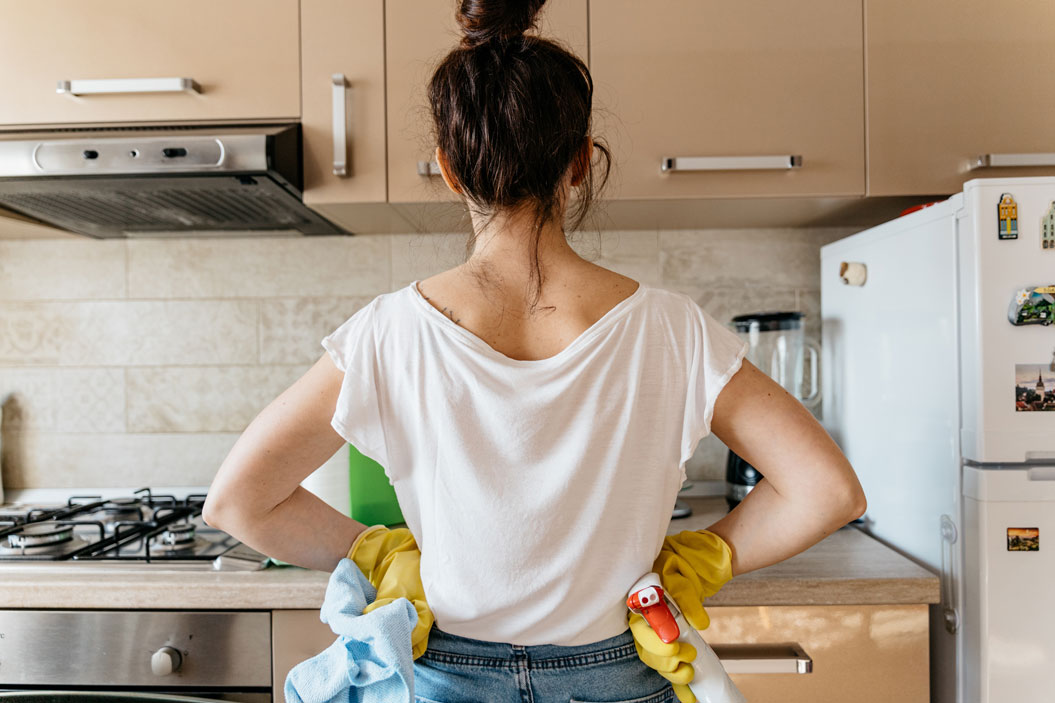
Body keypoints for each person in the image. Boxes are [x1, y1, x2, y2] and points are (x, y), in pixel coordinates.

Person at [203, 1, 866, 701]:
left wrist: (375, 549)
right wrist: (706, 554)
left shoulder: (388, 331)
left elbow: (238, 502)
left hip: (445, 680)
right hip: (616, 676)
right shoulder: (673, 328)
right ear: (580, 161)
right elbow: (828, 491)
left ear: (448, 170)